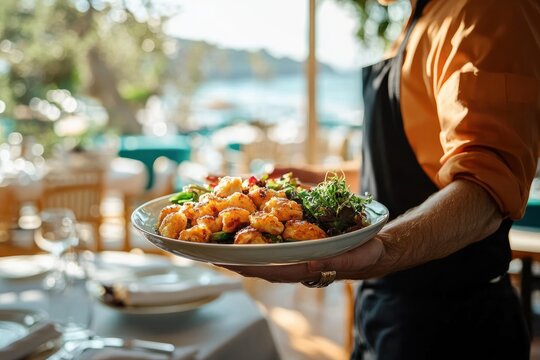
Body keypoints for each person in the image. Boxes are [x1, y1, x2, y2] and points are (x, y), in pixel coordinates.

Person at [217, 0, 540, 358]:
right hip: (381, 306)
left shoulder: (489, 10)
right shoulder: (416, 19)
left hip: (451, 322)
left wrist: (385, 248)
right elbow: (394, 170)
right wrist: (311, 179)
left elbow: (487, 188)